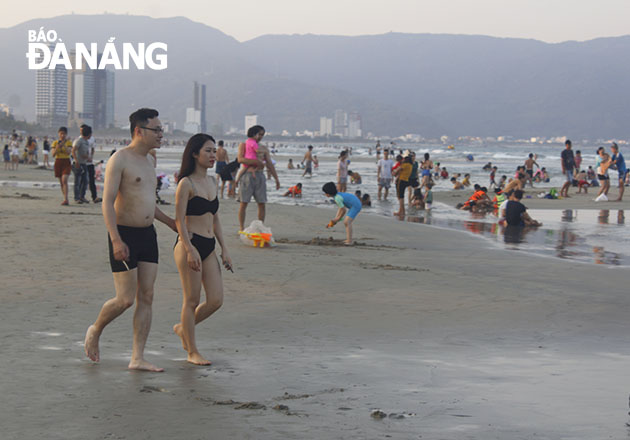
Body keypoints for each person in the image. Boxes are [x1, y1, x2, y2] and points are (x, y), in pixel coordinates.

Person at [84, 108, 177, 372]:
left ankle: (137, 357)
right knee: (125, 299)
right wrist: (115, 239)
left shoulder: (150, 160)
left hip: (148, 235)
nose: (161, 135)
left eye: (161, 130)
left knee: (146, 296)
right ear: (139, 131)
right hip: (124, 234)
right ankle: (95, 329)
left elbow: (148, 202)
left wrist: (170, 222)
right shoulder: (120, 160)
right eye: (157, 130)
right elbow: (108, 203)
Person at [172, 133, 232, 366]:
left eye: (214, 151)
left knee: (216, 300)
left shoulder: (212, 182)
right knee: (191, 300)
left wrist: (225, 248)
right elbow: (178, 220)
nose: (213, 155)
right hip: (190, 244)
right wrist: (189, 249)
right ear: (194, 154)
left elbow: (214, 218)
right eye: (208, 150)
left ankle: (182, 328)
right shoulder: (185, 184)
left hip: (210, 246)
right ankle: (192, 351)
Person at [237, 125, 280, 231]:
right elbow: (240, 159)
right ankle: (241, 227)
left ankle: (260, 227)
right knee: (244, 203)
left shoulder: (264, 148)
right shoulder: (244, 145)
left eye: (262, 135)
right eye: (260, 134)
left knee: (261, 203)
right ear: (254, 133)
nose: (261, 137)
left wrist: (276, 179)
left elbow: (270, 164)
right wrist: (256, 162)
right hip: (247, 175)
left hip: (260, 175)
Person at [51, 127, 73, 205]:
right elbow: (53, 154)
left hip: (66, 161)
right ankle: (64, 197)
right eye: (61, 133)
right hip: (58, 161)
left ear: (66, 134)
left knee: (64, 180)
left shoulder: (69, 142)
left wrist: (63, 145)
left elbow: (68, 152)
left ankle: (66, 198)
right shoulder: (55, 143)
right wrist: (57, 147)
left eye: (64, 134)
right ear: (58, 134)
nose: (62, 135)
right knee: (61, 182)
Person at [72, 124, 91, 204]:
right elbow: (73, 151)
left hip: (84, 163)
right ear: (89, 134)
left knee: (85, 181)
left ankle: (82, 196)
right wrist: (76, 161)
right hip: (77, 164)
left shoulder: (86, 142)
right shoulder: (79, 141)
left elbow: (85, 153)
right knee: (77, 181)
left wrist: (87, 157)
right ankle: (77, 198)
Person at [86, 135, 102, 203]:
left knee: (92, 181)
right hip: (82, 163)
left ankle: (94, 197)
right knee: (82, 182)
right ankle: (80, 197)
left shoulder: (91, 139)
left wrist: (91, 157)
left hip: (90, 163)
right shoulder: (80, 140)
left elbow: (92, 149)